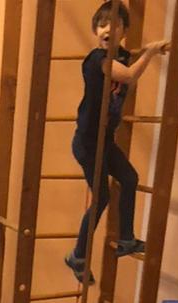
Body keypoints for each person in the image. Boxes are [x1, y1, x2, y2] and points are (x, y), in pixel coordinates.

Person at [65, 4, 170, 284]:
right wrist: (150, 52)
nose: (107, 29)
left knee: (129, 178)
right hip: (88, 142)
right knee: (101, 198)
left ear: (124, 31)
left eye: (115, 24)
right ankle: (77, 255)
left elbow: (127, 59)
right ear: (95, 31)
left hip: (105, 140)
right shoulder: (97, 59)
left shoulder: (120, 55)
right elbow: (129, 75)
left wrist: (145, 49)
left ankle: (126, 238)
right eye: (102, 24)